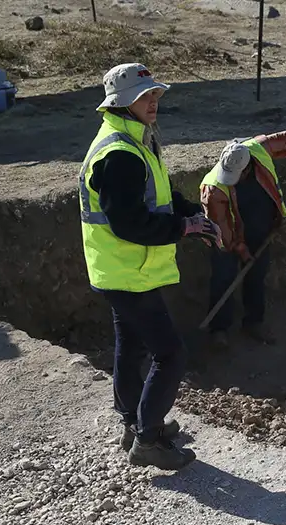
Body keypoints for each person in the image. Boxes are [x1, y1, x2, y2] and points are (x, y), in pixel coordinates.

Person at [79, 63, 221, 471]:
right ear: (123, 104)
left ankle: (132, 422)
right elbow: (130, 223)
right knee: (171, 354)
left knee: (131, 346)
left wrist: (191, 213)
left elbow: (159, 197)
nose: (153, 102)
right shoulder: (121, 154)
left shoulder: (133, 142)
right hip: (128, 271)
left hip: (121, 269)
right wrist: (184, 227)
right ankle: (148, 439)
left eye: (155, 94)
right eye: (144, 97)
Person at [200, 132, 286, 349]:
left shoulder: (258, 150)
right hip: (227, 235)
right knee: (223, 277)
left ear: (248, 166)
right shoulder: (213, 188)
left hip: (260, 227)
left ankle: (253, 322)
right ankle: (219, 329)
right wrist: (239, 246)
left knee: (256, 274)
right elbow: (221, 226)